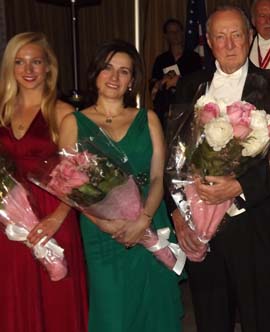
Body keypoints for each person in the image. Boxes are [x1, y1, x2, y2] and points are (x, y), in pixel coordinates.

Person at [169, 5, 270, 332]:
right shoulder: (189, 86)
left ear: (250, 37)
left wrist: (240, 186)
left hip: (258, 224)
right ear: (209, 43)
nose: (229, 45)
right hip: (202, 225)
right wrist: (177, 213)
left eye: (236, 35)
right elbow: (173, 155)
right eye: (220, 37)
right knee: (211, 319)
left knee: (262, 320)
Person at [58, 39, 182, 332]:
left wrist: (144, 219)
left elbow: (156, 177)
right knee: (113, 315)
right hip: (104, 233)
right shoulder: (72, 122)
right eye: (108, 68)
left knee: (155, 311)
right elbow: (69, 187)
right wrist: (105, 224)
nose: (114, 77)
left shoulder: (148, 118)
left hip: (150, 224)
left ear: (132, 80)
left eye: (124, 71)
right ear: (96, 73)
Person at [0, 32, 88, 332]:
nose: (28, 70)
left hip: (53, 218)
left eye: (36, 62)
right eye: (20, 62)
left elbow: (77, 177)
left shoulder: (64, 113)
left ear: (48, 67)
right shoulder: (1, 111)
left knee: (56, 301)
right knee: (14, 297)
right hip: (8, 221)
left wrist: (57, 219)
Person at [150, 18, 202, 123]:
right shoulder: (161, 59)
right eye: (171, 32)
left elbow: (199, 82)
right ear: (166, 36)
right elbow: (153, 84)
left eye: (177, 31)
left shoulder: (194, 57)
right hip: (165, 109)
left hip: (188, 109)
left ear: (182, 33)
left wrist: (180, 81)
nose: (175, 34)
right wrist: (160, 83)